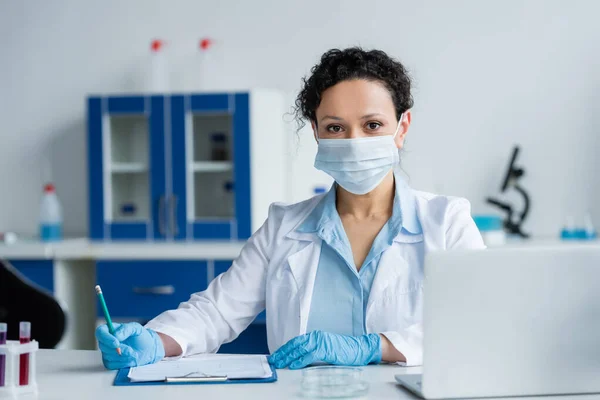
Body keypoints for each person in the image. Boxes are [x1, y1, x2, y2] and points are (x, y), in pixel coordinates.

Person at [96, 47, 485, 370]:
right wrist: (155, 339)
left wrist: (373, 347)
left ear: (401, 128)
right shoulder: (285, 225)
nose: (353, 140)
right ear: (315, 131)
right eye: (335, 127)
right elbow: (216, 312)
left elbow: (477, 323)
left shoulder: (446, 222)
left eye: (372, 125)